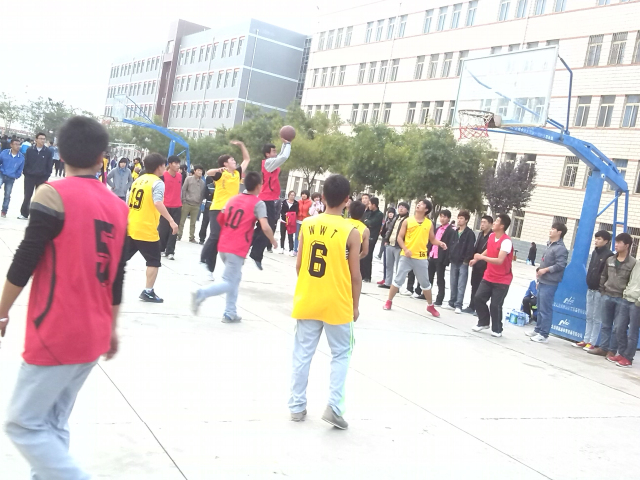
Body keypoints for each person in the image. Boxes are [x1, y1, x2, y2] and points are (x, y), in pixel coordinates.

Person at [1, 116, 128, 480]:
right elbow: (117, 276)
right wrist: (112, 328)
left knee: (23, 424)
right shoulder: (118, 207)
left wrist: (2, 310)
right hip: (94, 331)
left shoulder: (52, 194)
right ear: (102, 157)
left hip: (57, 329)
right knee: (53, 421)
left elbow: (26, 258)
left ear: (60, 153)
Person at [289, 174, 361, 429]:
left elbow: (299, 265)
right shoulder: (351, 231)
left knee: (302, 354)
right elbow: (355, 276)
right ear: (346, 200)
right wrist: (355, 305)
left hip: (308, 298)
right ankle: (334, 408)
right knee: (341, 354)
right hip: (337, 302)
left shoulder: (308, 224)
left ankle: (296, 406)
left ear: (323, 196)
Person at [191, 171, 278, 322]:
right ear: (259, 186)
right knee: (229, 281)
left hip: (224, 244)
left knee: (235, 278)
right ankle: (201, 293)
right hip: (237, 247)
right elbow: (265, 226)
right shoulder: (258, 203)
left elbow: (221, 219)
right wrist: (272, 240)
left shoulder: (233, 199)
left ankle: (230, 312)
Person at [125, 153, 179, 303]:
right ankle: (148, 292)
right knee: (154, 260)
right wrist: (171, 221)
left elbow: (129, 201)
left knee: (120, 258)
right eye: (164, 165)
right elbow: (157, 202)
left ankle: (102, 282)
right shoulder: (157, 182)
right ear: (159, 167)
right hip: (146, 228)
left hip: (132, 226)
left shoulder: (138, 180)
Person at [383, 199, 448, 317]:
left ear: (426, 209)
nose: (418, 205)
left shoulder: (429, 223)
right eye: (418, 203)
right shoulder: (407, 221)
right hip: (406, 257)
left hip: (421, 258)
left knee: (425, 283)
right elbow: (399, 237)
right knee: (398, 280)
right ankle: (389, 301)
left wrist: (440, 243)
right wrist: (405, 249)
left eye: (422, 204)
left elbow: (432, 239)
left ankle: (430, 305)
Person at [201, 141, 251, 278]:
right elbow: (208, 173)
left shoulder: (237, 173)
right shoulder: (220, 174)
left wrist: (241, 145)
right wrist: (217, 170)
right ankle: (206, 263)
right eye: (232, 160)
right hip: (217, 209)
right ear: (225, 163)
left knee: (228, 241)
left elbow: (247, 159)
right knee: (215, 236)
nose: (235, 162)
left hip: (231, 212)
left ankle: (231, 269)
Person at [588, 233, 636, 360]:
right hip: (607, 295)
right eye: (616, 242)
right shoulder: (610, 260)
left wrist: (625, 295)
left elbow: (633, 281)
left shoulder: (633, 263)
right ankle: (603, 348)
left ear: (627, 245)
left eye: (619, 243)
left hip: (621, 298)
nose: (616, 245)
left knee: (618, 327)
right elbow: (604, 275)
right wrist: (603, 289)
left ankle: (612, 350)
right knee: (606, 324)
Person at [470, 214, 514, 338]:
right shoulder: (491, 236)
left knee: (495, 305)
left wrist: (482, 258)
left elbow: (500, 260)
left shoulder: (506, 242)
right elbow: (489, 249)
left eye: (497, 221)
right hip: (489, 275)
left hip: (502, 279)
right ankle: (483, 322)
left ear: (502, 226)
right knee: (478, 298)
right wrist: (477, 258)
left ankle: (497, 329)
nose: (494, 222)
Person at [249, 141, 292, 264]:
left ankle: (246, 243)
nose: (275, 153)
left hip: (268, 198)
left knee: (261, 227)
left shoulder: (271, 162)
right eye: (273, 151)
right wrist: (288, 144)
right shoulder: (268, 163)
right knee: (269, 227)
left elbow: (281, 156)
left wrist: (284, 144)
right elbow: (284, 157)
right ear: (267, 154)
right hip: (266, 199)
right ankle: (256, 254)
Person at [526, 223, 569, 343]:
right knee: (540, 307)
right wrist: (539, 276)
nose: (550, 231)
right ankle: (538, 329)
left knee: (546, 309)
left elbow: (561, 265)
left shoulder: (560, 248)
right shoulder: (549, 245)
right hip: (542, 280)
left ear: (559, 232)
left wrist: (546, 270)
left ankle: (544, 334)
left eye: (553, 229)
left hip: (550, 282)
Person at [576, 230, 613, 351]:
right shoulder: (595, 252)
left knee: (596, 317)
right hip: (590, 288)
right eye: (596, 238)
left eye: (599, 239)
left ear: (606, 241)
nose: (596, 241)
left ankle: (592, 342)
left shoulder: (609, 255)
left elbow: (606, 274)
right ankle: (586, 339)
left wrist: (601, 287)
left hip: (599, 290)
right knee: (589, 315)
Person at [446, 210, 476, 314]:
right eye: (458, 218)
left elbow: (470, 248)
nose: (459, 220)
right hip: (454, 261)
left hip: (463, 262)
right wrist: (450, 256)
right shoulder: (455, 232)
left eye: (461, 218)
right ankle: (452, 302)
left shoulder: (469, 233)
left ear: (466, 220)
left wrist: (466, 260)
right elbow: (451, 245)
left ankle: (458, 304)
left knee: (461, 284)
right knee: (453, 282)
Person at [462, 215, 493, 315]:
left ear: (490, 224)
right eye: (481, 222)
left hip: (485, 265)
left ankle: (479, 309)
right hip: (476, 264)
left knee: (482, 288)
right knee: (474, 285)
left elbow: (490, 250)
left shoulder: (492, 236)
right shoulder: (480, 234)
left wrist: (479, 258)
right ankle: (472, 306)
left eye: (484, 222)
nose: (482, 224)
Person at [18, 133, 53, 220]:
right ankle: (24, 213)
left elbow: (49, 165)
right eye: (40, 138)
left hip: (42, 177)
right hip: (30, 177)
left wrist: (46, 175)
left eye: (44, 139)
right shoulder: (30, 150)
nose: (42, 140)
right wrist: (26, 173)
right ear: (36, 139)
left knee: (40, 197)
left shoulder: (48, 151)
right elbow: (26, 162)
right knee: (27, 195)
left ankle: (37, 216)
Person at [378, 202, 409, 290]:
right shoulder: (395, 218)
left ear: (407, 210)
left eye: (403, 207)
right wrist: (386, 240)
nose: (401, 209)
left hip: (399, 246)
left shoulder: (408, 220)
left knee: (399, 267)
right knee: (388, 265)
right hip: (390, 244)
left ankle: (397, 285)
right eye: (400, 207)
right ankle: (388, 283)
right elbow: (389, 230)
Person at [428, 210, 456, 305]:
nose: (442, 219)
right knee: (429, 276)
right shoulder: (437, 229)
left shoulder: (451, 231)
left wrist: (447, 257)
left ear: (448, 218)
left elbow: (450, 245)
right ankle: (426, 294)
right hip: (433, 254)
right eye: (441, 216)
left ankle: (439, 298)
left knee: (440, 278)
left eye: (444, 217)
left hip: (441, 257)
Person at [158, 156, 183, 260]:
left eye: (178, 163)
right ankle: (161, 249)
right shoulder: (163, 176)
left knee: (174, 230)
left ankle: (170, 251)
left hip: (177, 206)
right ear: (169, 164)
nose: (178, 165)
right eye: (175, 163)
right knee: (163, 230)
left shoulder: (180, 176)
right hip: (165, 206)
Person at [617, 260, 640, 367]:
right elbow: (631, 279)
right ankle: (622, 353)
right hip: (627, 298)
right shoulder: (638, 263)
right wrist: (625, 293)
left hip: (636, 303)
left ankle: (628, 358)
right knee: (620, 328)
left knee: (632, 332)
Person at [179, 164, 205, 243]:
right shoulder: (188, 179)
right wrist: (183, 199)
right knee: (182, 220)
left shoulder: (202, 182)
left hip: (196, 205)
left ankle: (192, 237)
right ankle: (178, 235)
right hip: (187, 203)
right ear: (195, 171)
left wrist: (199, 202)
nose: (200, 172)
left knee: (193, 223)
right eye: (198, 170)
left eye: (201, 171)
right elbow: (184, 189)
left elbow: (202, 193)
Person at [0, 138, 25, 217]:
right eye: (16, 144)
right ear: (11, 145)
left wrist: (16, 175)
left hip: (11, 178)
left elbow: (20, 169)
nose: (18, 146)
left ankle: (4, 211)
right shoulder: (4, 153)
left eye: (19, 144)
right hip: (1, 174)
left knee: (7, 194)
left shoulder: (21, 157)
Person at [361, 197, 383, 282]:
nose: (369, 205)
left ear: (374, 205)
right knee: (362, 255)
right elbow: (364, 221)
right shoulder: (369, 212)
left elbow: (370, 223)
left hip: (372, 237)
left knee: (368, 256)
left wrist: (367, 222)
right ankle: (362, 274)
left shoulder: (379, 214)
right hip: (364, 235)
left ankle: (367, 276)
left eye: (370, 204)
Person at [279, 190, 298, 255]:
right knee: (282, 235)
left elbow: (296, 212)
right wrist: (285, 215)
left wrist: (290, 215)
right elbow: (281, 210)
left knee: (290, 236)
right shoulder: (284, 202)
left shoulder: (296, 203)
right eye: (291, 195)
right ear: (288, 195)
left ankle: (291, 249)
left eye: (293, 195)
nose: (292, 196)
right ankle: (281, 248)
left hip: (291, 222)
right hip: (283, 220)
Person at [199, 174, 215, 244]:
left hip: (216, 208)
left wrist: (211, 195)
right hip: (208, 206)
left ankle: (213, 240)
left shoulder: (221, 187)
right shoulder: (209, 186)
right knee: (204, 223)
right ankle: (202, 238)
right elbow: (206, 196)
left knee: (214, 225)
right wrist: (211, 196)